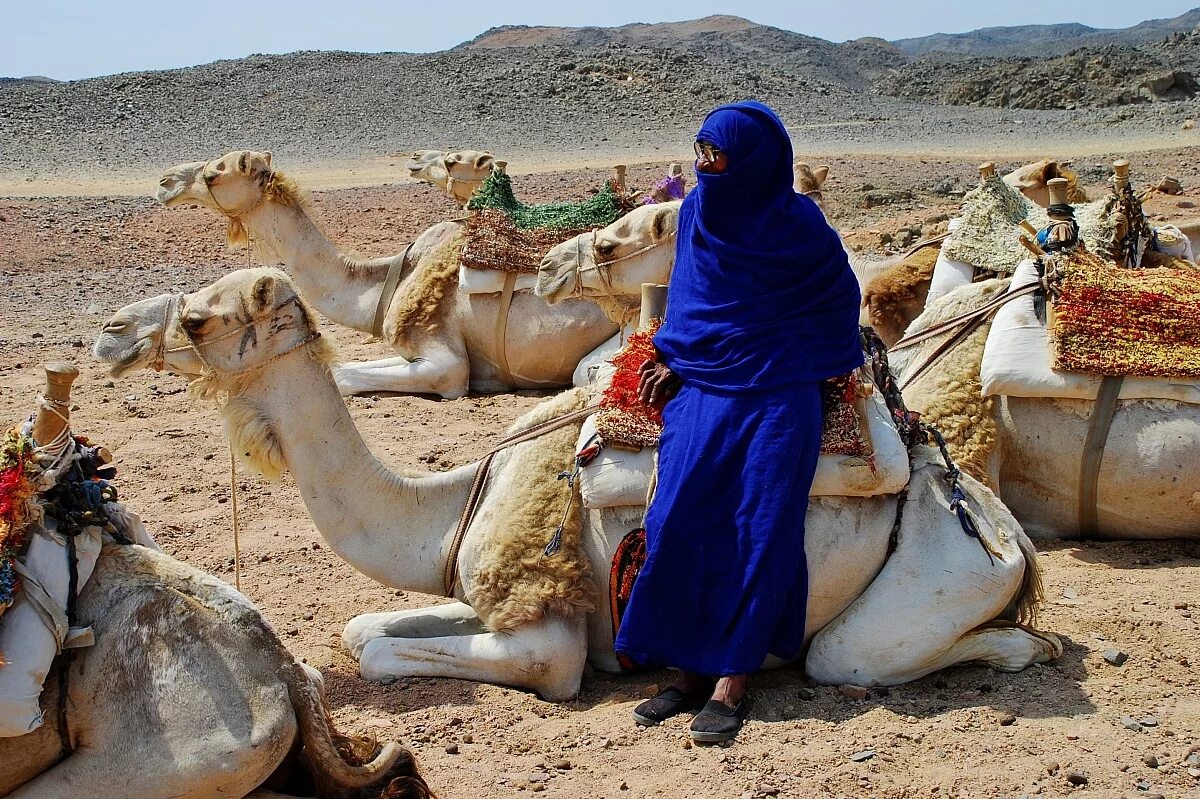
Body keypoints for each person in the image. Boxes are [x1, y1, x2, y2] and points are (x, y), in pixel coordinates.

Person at [613, 101, 864, 744]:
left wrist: (805, 359)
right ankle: (687, 666)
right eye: (701, 158)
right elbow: (693, 296)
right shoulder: (698, 210)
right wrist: (674, 355)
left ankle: (732, 675)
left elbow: (838, 301)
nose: (706, 172)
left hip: (782, 383)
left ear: (755, 165)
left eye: (719, 161)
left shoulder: (800, 226)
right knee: (675, 514)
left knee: (763, 519)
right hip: (705, 377)